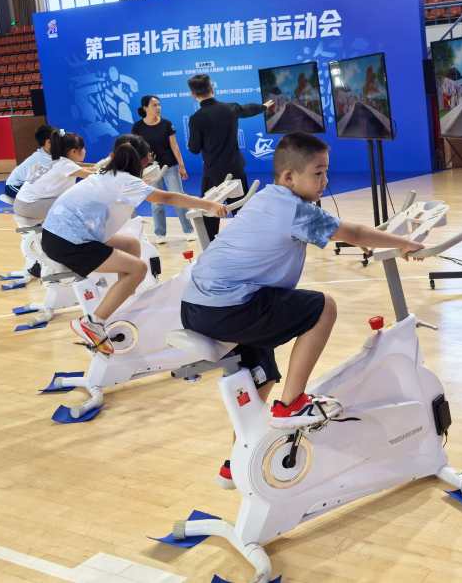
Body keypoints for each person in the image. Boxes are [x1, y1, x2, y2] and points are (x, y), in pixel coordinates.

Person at [180, 132, 425, 485]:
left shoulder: (268, 197)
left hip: (199, 305)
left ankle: (236, 461)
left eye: (326, 172)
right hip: (231, 306)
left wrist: (372, 239)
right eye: (318, 173)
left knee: (260, 376)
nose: (325, 181)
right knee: (322, 307)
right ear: (289, 177)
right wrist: (405, 243)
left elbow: (344, 232)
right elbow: (354, 233)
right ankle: (291, 404)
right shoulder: (293, 209)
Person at [41, 134, 227, 355]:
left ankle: (126, 302)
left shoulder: (106, 171)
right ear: (143, 161)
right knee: (138, 269)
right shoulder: (127, 182)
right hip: (68, 242)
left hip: (58, 234)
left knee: (131, 245)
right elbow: (167, 198)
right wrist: (208, 205)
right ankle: (92, 323)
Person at [186, 74, 273, 240]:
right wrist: (263, 107)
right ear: (212, 88)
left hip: (213, 173)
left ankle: (211, 246)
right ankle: (250, 243)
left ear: (193, 94)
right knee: (242, 211)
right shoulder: (230, 108)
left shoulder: (196, 119)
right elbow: (248, 109)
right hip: (235, 169)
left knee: (209, 213)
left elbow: (194, 149)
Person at [131, 95, 195, 244]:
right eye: (154, 105)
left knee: (178, 197)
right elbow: (135, 149)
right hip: (150, 170)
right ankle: (160, 234)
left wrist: (181, 165)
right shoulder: (138, 127)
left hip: (170, 166)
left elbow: (174, 146)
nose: (158, 107)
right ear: (145, 108)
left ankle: (189, 231)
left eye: (159, 105)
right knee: (156, 202)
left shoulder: (166, 124)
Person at [13, 130, 93, 222]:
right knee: (79, 200)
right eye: (83, 148)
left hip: (22, 203)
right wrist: (106, 165)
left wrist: (102, 166)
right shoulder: (67, 165)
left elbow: (88, 168)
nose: (85, 151)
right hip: (29, 206)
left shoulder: (56, 160)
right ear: (74, 151)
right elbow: (94, 175)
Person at [5, 124, 54, 198]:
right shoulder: (41, 158)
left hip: (27, 183)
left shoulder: (47, 153)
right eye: (54, 140)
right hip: (14, 185)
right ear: (48, 142)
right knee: (31, 198)